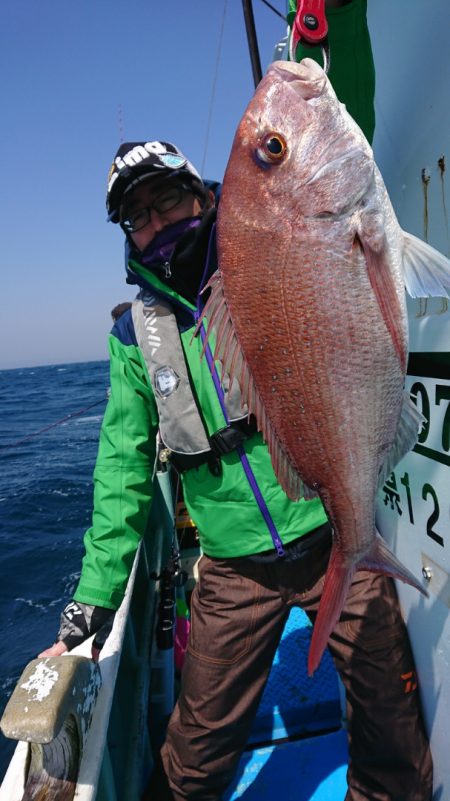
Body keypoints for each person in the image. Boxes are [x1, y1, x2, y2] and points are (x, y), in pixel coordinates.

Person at [41, 1, 433, 799]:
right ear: (126, 232)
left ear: (197, 190)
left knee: (394, 734)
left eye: (166, 199)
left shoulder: (267, 239)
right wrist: (91, 599)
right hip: (231, 568)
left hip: (328, 529)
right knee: (193, 757)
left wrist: (334, 17)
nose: (156, 222)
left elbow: (334, 106)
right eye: (136, 215)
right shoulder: (134, 337)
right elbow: (121, 474)